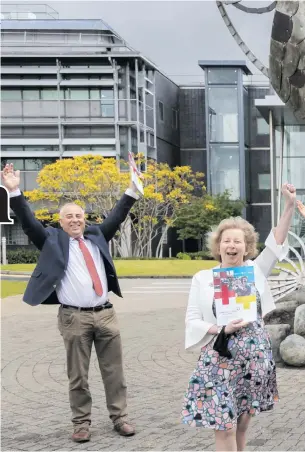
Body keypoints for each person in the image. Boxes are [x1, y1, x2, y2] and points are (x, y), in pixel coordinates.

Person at [1, 163, 141, 443]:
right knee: (78, 376)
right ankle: (81, 424)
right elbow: (28, 221)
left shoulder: (97, 235)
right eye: (69, 217)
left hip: (106, 315)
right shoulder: (51, 240)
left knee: (114, 372)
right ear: (60, 221)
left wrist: (132, 189)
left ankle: (120, 417)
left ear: (85, 219)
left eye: (79, 215)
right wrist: (13, 190)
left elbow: (117, 214)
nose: (75, 220)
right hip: (74, 318)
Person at [181, 183, 296, 452]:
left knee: (242, 426)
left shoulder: (254, 271)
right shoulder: (203, 278)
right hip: (219, 357)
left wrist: (289, 205)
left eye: (238, 241)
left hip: (254, 359)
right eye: (226, 241)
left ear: (246, 248)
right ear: (218, 246)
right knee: (225, 426)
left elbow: (277, 241)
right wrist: (219, 328)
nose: (231, 245)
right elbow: (192, 319)